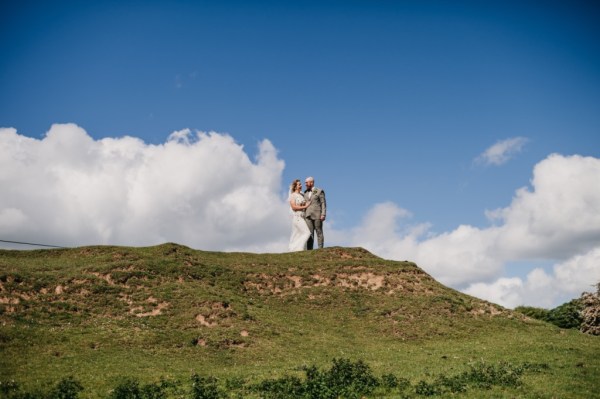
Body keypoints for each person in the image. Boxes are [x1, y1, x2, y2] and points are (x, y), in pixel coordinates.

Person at [288, 179, 311, 251]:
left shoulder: (301, 195)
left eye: (301, 184)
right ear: (295, 187)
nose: (301, 186)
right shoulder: (293, 195)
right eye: (299, 185)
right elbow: (294, 207)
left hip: (302, 217)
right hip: (297, 217)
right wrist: (305, 206)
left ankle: (298, 250)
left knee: (299, 234)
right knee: (307, 233)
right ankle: (299, 248)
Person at [303, 176, 326, 249]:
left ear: (311, 182)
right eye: (305, 183)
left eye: (307, 182)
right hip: (307, 215)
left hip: (317, 215)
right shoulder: (305, 193)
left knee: (319, 232)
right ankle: (309, 250)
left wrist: (323, 214)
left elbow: (323, 203)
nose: (305, 184)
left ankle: (320, 248)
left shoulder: (319, 191)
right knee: (309, 233)